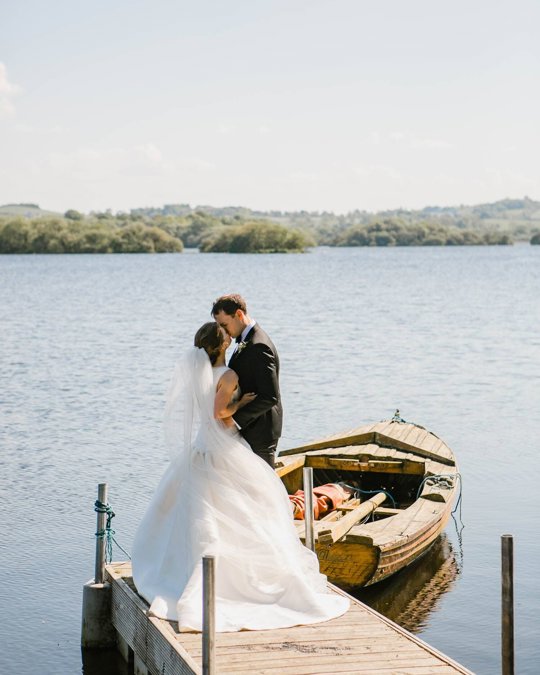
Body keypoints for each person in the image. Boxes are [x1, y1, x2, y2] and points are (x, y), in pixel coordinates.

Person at [131, 322, 349, 632]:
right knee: (253, 501)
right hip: (224, 440)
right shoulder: (228, 375)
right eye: (227, 336)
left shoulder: (196, 374)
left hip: (203, 444)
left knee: (204, 507)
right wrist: (240, 403)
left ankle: (181, 567)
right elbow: (219, 412)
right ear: (222, 346)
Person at [212, 294, 281, 468]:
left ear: (239, 314)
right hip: (250, 428)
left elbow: (269, 396)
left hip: (260, 432)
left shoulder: (259, 345)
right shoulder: (244, 340)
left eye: (224, 325)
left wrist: (235, 421)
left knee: (263, 489)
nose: (222, 331)